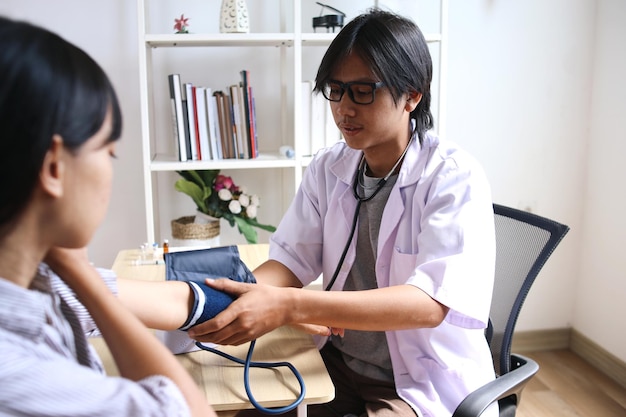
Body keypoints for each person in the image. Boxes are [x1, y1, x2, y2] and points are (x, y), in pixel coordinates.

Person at [187, 9, 498, 417]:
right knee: (250, 406)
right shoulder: (330, 167)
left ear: (412, 95)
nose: (344, 109)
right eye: (336, 90)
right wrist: (238, 297)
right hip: (337, 359)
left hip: (414, 381)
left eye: (363, 91)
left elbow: (428, 304)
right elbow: (291, 260)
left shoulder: (452, 178)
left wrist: (291, 306)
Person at [0, 16, 216, 417]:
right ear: (54, 169)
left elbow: (170, 300)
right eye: (109, 151)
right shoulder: (22, 379)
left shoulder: (37, 277)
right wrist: (80, 270)